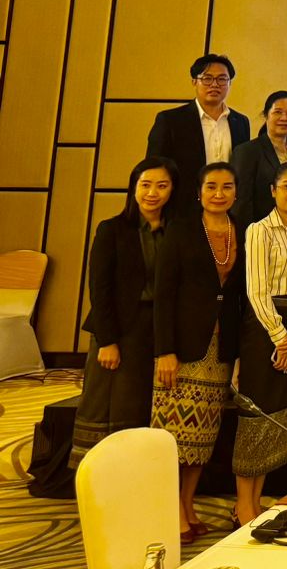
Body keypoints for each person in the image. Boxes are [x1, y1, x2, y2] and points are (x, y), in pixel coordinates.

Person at [151, 161, 244, 544]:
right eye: (211, 187)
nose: (219, 194)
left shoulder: (243, 231)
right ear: (199, 192)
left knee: (202, 437)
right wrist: (164, 351)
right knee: (173, 434)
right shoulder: (181, 229)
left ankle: (187, 504)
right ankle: (172, 508)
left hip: (220, 349)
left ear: (236, 192)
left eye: (227, 187)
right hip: (183, 348)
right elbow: (163, 294)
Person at [73, 158, 174, 465]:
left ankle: (136, 470)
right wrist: (107, 340)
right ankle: (99, 473)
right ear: (133, 188)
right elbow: (99, 289)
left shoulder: (177, 232)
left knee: (141, 405)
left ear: (173, 189)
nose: (152, 193)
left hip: (155, 330)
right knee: (107, 405)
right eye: (145, 185)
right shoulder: (112, 229)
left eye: (161, 185)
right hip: (118, 329)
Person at [234, 162, 287, 524]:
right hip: (263, 327)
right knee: (256, 411)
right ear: (273, 190)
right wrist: (280, 338)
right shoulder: (259, 230)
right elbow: (256, 290)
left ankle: (257, 498)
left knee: (280, 414)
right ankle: (243, 504)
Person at [145, 53, 250, 213]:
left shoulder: (240, 122)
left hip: (228, 208)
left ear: (229, 83)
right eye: (207, 78)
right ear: (194, 81)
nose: (215, 84)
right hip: (183, 208)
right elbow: (155, 169)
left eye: (222, 79)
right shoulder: (170, 120)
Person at [231, 91, 287, 225]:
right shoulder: (247, 151)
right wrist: (249, 234)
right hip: (261, 229)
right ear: (266, 115)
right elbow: (241, 202)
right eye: (278, 112)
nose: (284, 118)